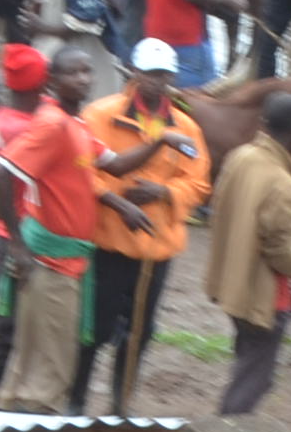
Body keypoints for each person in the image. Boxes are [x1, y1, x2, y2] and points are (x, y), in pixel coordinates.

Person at [70, 40, 212, 411]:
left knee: (139, 332)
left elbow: (198, 183)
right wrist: (116, 203)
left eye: (163, 75)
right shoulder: (99, 116)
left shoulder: (187, 128)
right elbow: (82, 173)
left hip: (155, 249)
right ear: (133, 73)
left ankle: (120, 403)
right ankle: (76, 400)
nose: (156, 82)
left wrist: (164, 193)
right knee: (93, 328)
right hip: (108, 243)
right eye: (149, 73)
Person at [0, 42, 98, 412]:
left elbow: (100, 168)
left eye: (87, 71)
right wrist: (16, 243)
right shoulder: (52, 125)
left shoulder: (70, 123)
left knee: (28, 360)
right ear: (50, 81)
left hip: (50, 255)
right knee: (49, 369)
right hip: (47, 259)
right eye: (73, 72)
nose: (83, 79)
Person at [206, 91, 291, 416]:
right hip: (265, 298)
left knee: (246, 364)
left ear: (263, 122)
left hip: (232, 287)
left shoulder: (240, 157)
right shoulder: (284, 185)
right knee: (254, 380)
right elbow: (278, 254)